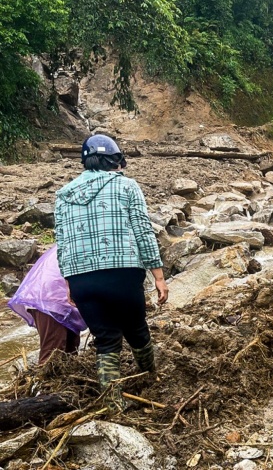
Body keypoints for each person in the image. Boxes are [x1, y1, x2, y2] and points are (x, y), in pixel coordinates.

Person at [54, 134, 169, 406]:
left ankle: (113, 406)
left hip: (82, 279)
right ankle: (151, 381)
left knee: (106, 341)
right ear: (113, 160)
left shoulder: (63, 195)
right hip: (123, 274)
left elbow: (63, 241)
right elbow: (143, 231)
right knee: (137, 330)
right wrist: (159, 277)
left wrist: (70, 282)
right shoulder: (127, 187)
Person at [8, 245, 86, 364]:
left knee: (71, 353)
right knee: (52, 356)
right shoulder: (84, 243)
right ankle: (44, 381)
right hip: (50, 299)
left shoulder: (74, 239)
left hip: (54, 297)